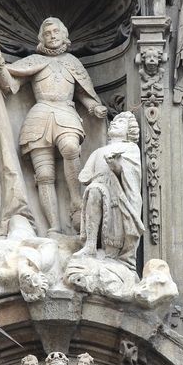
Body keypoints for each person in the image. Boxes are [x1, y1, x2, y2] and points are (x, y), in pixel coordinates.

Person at [0, 18, 108, 232]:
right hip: (39, 117)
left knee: (71, 147)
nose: (51, 35)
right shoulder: (33, 61)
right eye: (47, 33)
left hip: (66, 112)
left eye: (56, 32)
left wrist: (93, 108)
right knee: (44, 175)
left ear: (65, 36)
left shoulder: (73, 62)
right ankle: (53, 227)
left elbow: (84, 94)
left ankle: (75, 200)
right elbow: (10, 85)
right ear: (41, 39)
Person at [75, 111, 144, 268]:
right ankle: (90, 245)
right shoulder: (98, 152)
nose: (113, 123)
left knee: (95, 191)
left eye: (119, 123)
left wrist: (115, 165)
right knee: (93, 190)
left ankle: (113, 252)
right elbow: (84, 177)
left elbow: (131, 175)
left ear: (129, 131)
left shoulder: (131, 148)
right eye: (113, 122)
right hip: (98, 188)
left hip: (118, 195)